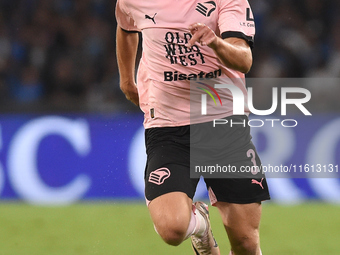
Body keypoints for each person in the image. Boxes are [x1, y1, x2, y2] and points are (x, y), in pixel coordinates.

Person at [115, 0, 270, 254]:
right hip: (168, 124)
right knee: (172, 229)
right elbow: (125, 26)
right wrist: (125, 79)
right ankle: (201, 226)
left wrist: (215, 42)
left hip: (223, 121)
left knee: (246, 244)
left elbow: (244, 59)